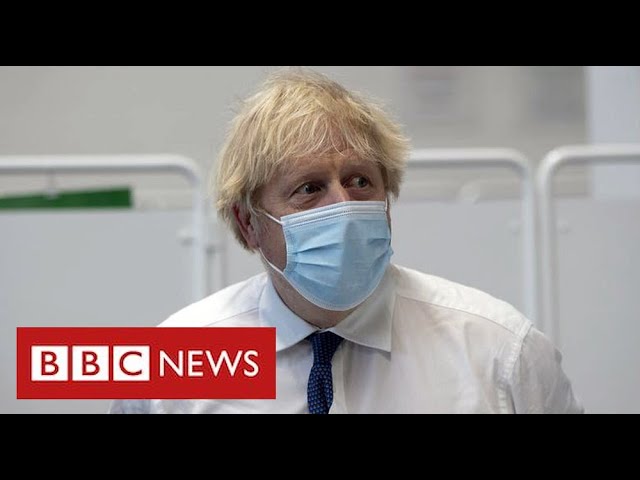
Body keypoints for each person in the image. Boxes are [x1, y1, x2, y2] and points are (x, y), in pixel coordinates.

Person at [110, 68, 583, 414]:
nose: (344, 206)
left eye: (360, 181)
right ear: (248, 223)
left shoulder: (498, 353)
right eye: (309, 188)